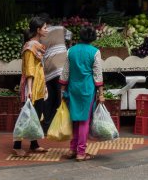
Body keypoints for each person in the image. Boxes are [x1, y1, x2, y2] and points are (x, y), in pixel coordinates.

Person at [60, 26, 104, 162]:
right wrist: (101, 93)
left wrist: (62, 90)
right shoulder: (95, 52)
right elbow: (97, 74)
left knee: (74, 119)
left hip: (73, 88)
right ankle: (81, 152)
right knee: (84, 121)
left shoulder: (70, 51)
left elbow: (65, 72)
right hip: (87, 89)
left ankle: (72, 149)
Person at [13, 17, 50, 157]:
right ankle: (16, 146)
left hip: (39, 85)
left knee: (34, 115)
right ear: (38, 30)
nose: (47, 30)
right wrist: (29, 90)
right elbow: (29, 70)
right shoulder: (30, 47)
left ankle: (34, 144)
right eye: (45, 27)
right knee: (25, 116)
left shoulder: (37, 46)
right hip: (31, 86)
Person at [41, 18, 67, 134]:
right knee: (59, 98)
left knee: (49, 98)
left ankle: (47, 127)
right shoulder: (61, 28)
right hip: (61, 68)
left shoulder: (39, 35)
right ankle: (58, 127)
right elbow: (70, 36)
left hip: (47, 70)